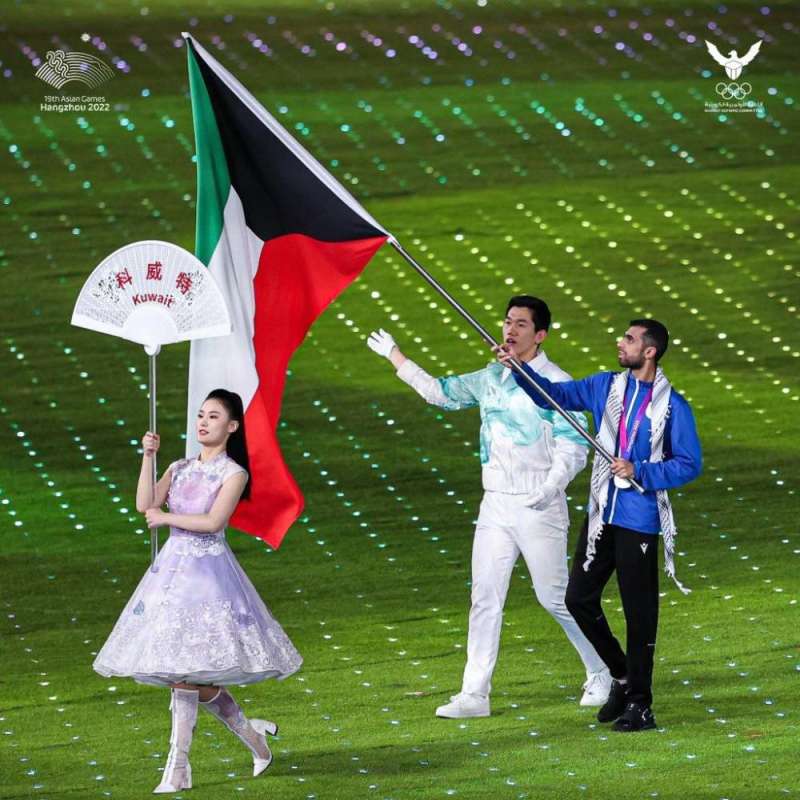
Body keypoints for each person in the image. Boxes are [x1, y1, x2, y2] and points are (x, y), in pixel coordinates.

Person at [367, 296, 610, 719]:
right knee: (484, 597)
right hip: (495, 502)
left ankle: (603, 671)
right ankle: (474, 694)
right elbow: (440, 394)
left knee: (555, 598)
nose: (510, 330)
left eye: (521, 324)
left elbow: (573, 444)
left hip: (538, 504)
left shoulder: (555, 382)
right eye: (507, 322)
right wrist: (395, 356)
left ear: (540, 335)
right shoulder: (492, 377)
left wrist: (551, 486)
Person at [93, 389, 302, 792]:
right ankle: (251, 737)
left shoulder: (233, 473)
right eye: (201, 415)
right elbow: (144, 503)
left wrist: (166, 518)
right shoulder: (180, 466)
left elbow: (213, 522)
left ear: (232, 426)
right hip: (171, 574)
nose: (203, 422)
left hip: (207, 577)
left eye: (213, 416)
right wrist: (148, 457)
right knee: (184, 674)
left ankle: (179, 767)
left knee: (185, 674)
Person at [498, 319, 701, 732]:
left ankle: (641, 705)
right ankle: (622, 677)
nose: (619, 342)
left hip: (639, 520)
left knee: (639, 614)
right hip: (601, 514)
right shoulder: (603, 386)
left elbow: (688, 463)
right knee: (578, 598)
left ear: (649, 351)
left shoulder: (672, 407)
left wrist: (640, 470)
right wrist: (519, 369)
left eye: (629, 339)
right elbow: (553, 396)